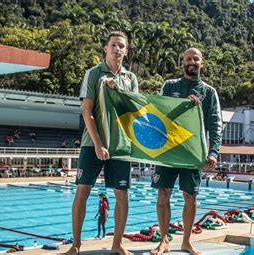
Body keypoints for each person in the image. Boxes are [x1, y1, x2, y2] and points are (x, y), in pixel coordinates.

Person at [64, 31, 138, 255]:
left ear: (126, 51)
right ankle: (76, 245)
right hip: (92, 143)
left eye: (121, 46)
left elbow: (134, 111)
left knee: (121, 194)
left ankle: (117, 245)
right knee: (83, 191)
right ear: (105, 48)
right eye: (113, 45)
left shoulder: (130, 79)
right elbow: (87, 111)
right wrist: (98, 143)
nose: (117, 49)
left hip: (121, 145)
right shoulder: (94, 73)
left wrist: (121, 93)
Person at [150, 48, 222, 255]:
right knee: (163, 194)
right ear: (182, 62)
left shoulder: (209, 92)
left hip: (192, 153)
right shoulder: (169, 86)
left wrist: (213, 152)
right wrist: (184, 107)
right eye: (188, 58)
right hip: (168, 150)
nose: (192, 61)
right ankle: (164, 240)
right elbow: (157, 113)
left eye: (196, 58)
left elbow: (215, 124)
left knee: (190, 197)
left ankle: (186, 242)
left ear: (202, 63)